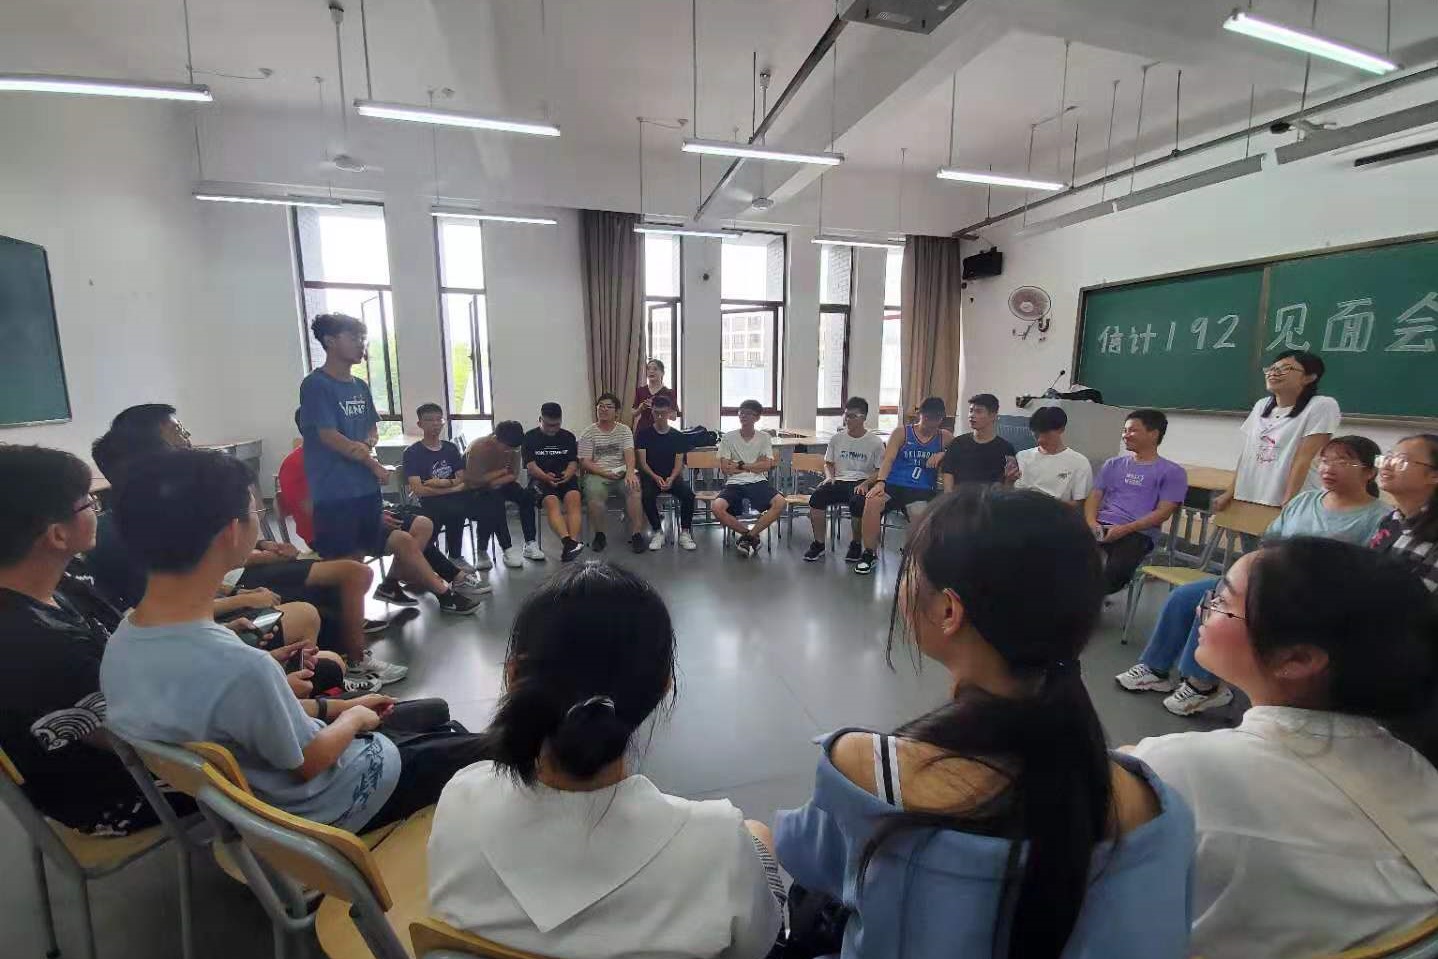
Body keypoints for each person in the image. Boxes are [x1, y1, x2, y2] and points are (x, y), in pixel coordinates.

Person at [773, 489, 1195, 959]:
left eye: (911, 566)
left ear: (948, 611)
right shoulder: (1159, 811)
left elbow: (802, 856)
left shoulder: (867, 770)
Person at [100, 448, 491, 832]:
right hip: (330, 802)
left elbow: (213, 709)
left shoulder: (122, 642)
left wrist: (326, 701)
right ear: (231, 533)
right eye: (255, 512)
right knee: (491, 749)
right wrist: (353, 717)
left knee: (436, 714)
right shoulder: (242, 667)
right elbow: (309, 763)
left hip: (259, 800)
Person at [428, 562, 783, 958]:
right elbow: (757, 946)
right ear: (663, 685)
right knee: (758, 834)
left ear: (514, 676)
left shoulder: (460, 797)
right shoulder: (718, 843)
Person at [1130, 538, 1438, 959]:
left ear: (1297, 659)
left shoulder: (1180, 768)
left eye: (1223, 601)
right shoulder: (1416, 768)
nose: (1206, 607)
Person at [90, 405, 402, 687]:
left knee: (352, 575)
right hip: (226, 594)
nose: (187, 438)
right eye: (177, 432)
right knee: (316, 610)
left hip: (226, 587)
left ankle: (338, 665)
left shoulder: (160, 509)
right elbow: (182, 585)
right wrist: (242, 595)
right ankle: (328, 674)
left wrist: (256, 557)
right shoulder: (139, 526)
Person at [0, 445, 198, 835]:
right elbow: (152, 741)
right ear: (57, 534)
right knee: (285, 748)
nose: (97, 508)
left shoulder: (62, 583)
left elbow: (127, 638)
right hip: (118, 790)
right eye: (87, 502)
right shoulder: (30, 644)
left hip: (143, 730)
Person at [1117, 435, 1392, 716]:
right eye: (1324, 461)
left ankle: (1203, 685)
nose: (1328, 468)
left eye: (1342, 462)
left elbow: (1364, 573)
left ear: (1370, 472)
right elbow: (1271, 540)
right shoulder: (1305, 500)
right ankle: (1156, 670)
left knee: (1216, 604)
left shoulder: (1380, 517)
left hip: (1312, 596)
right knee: (1184, 596)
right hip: (1269, 579)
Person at [298, 323, 481, 615]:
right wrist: (371, 461)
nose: (362, 343)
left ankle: (406, 590)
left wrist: (367, 443)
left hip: (367, 491)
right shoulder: (316, 385)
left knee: (394, 541)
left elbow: (372, 429)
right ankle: (355, 624)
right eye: (354, 337)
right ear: (330, 340)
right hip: (337, 493)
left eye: (363, 337)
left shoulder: (360, 386)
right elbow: (329, 436)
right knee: (350, 563)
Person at [1214, 349, 1339, 511]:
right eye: (1271, 368)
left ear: (1309, 377)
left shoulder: (1322, 405)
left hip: (1292, 502)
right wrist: (1229, 493)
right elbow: (1247, 455)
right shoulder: (1262, 405)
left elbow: (1304, 459)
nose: (1273, 373)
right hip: (1249, 497)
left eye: (1285, 368)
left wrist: (1289, 502)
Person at [1084, 409, 1188, 595]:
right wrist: (1092, 523)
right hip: (1101, 524)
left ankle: (1086, 601)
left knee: (1116, 571)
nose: (1126, 435)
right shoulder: (1113, 464)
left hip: (1137, 532)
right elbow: (1095, 496)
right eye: (1125, 430)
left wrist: (1124, 529)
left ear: (1153, 434)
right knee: (1063, 553)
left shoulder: (1172, 472)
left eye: (1132, 430)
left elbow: (1163, 513)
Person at [853, 397, 953, 576]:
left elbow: (959, 451)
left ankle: (911, 555)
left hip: (921, 489)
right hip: (893, 484)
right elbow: (888, 459)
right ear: (920, 414)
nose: (931, 423)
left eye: (936, 419)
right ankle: (869, 553)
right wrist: (880, 482)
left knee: (919, 514)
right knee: (872, 502)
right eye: (927, 418)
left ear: (941, 419)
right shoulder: (902, 433)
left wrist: (943, 454)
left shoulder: (944, 437)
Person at [804, 396, 884, 563]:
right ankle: (819, 543)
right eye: (846, 415)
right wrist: (829, 477)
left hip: (862, 482)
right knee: (816, 498)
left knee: (858, 503)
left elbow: (880, 471)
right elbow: (828, 463)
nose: (847, 419)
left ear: (863, 418)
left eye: (852, 416)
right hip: (839, 480)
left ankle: (856, 543)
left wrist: (866, 483)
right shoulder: (837, 438)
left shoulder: (875, 442)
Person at [402, 403, 479, 567]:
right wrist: (453, 488)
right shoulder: (412, 453)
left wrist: (443, 482)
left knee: (472, 503)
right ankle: (432, 560)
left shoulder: (450, 448)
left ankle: (455, 557)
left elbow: (462, 478)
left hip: (451, 497)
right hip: (428, 501)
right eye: (430, 420)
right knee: (452, 510)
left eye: (439, 420)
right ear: (420, 424)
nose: (435, 424)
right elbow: (418, 490)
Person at [463, 420, 544, 568]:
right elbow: (473, 481)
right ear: (495, 438)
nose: (509, 451)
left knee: (526, 497)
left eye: (513, 449)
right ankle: (501, 549)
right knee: (494, 502)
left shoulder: (514, 448)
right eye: (506, 448)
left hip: (500, 483)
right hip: (475, 490)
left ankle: (530, 543)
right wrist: (501, 472)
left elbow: (513, 474)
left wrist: (493, 480)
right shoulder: (478, 448)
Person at [714, 399, 788, 559]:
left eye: (748, 413)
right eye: (741, 413)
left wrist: (739, 465)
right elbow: (725, 468)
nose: (743, 416)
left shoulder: (764, 437)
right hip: (734, 483)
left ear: (757, 417)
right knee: (717, 507)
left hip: (758, 481)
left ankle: (748, 538)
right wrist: (754, 465)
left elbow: (766, 465)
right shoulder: (728, 438)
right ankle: (750, 536)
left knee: (780, 502)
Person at [578, 393, 646, 554]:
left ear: (616, 412)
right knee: (594, 494)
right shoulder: (587, 432)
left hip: (622, 472)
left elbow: (629, 454)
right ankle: (599, 535)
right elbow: (585, 461)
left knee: (634, 489)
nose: (604, 409)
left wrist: (630, 472)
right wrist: (605, 473)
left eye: (609, 407)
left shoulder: (624, 430)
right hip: (597, 474)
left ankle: (636, 534)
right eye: (601, 406)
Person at [522, 403, 585, 562]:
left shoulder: (568, 437)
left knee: (574, 498)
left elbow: (573, 462)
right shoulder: (529, 437)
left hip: (564, 476)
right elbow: (531, 466)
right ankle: (568, 542)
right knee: (552, 502)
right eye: (548, 425)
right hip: (540, 479)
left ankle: (572, 544)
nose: (552, 429)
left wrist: (568, 474)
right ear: (540, 420)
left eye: (556, 425)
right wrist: (546, 477)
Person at [635, 394, 698, 552]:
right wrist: (655, 477)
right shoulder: (643, 434)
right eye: (656, 413)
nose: (660, 417)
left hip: (672, 477)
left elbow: (679, 463)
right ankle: (658, 531)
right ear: (652, 412)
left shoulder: (678, 436)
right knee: (647, 496)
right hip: (651, 477)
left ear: (669, 412)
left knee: (689, 495)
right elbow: (643, 463)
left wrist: (671, 478)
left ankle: (685, 532)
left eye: (663, 413)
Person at [937, 393, 1018, 491]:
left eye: (978, 411)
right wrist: (949, 497)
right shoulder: (957, 443)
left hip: (990, 498)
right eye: (971, 411)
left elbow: (1008, 485)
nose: (972, 415)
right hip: (960, 497)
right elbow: (948, 473)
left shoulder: (1006, 448)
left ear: (993, 416)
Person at [1014, 405, 1093, 505]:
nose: (1040, 440)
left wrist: (1050, 506)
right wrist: (1008, 481)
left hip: (1056, 511)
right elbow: (1013, 492)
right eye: (1036, 435)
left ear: (1061, 429)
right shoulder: (1022, 456)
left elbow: (1079, 503)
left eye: (1046, 434)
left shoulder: (1079, 462)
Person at [631, 358, 679, 435]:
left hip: (661, 430)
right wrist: (640, 408)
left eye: (655, 369)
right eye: (648, 369)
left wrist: (656, 408)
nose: (651, 371)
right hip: (642, 430)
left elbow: (673, 417)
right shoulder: (641, 390)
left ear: (662, 373)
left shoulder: (669, 393)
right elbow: (633, 413)